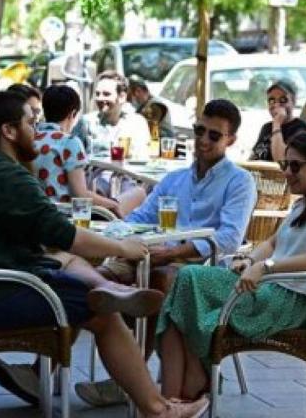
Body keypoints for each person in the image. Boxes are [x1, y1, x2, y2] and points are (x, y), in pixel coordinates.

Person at [0, 91, 207, 418]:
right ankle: (158, 409)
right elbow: (64, 234)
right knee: (101, 312)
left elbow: (45, 237)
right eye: (31, 123)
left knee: (69, 265)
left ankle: (111, 289)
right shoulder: (6, 176)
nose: (37, 131)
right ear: (9, 131)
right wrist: (123, 248)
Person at [78, 99, 257, 407]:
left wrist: (173, 253)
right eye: (200, 130)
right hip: (154, 256)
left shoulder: (240, 181)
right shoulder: (176, 178)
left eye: (214, 135)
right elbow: (140, 218)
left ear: (231, 141)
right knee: (89, 281)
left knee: (154, 284)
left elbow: (229, 238)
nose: (202, 140)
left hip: (204, 268)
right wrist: (112, 240)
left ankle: (132, 382)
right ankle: (42, 373)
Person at [157, 131, 306, 402]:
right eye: (285, 164)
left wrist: (265, 268)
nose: (287, 173)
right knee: (180, 292)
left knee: (188, 279)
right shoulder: (304, 202)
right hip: (269, 290)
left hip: (289, 301)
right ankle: (173, 398)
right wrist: (249, 261)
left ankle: (189, 385)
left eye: (296, 166)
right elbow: (272, 243)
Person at [34, 85, 120, 215]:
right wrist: (113, 205)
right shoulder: (69, 142)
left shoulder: (31, 138)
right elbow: (80, 195)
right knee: (138, 194)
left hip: (37, 213)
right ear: (72, 114)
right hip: (65, 217)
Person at [85, 70, 152, 159]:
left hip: (125, 172)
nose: (100, 98)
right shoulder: (87, 122)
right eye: (97, 94)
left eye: (106, 94)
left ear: (122, 97)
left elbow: (143, 158)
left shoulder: (136, 123)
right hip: (93, 172)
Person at [249, 79, 306, 162]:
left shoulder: (300, 128)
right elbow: (254, 157)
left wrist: (277, 124)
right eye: (272, 100)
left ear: (293, 101)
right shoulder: (266, 127)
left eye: (283, 100)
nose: (277, 105)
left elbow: (281, 162)